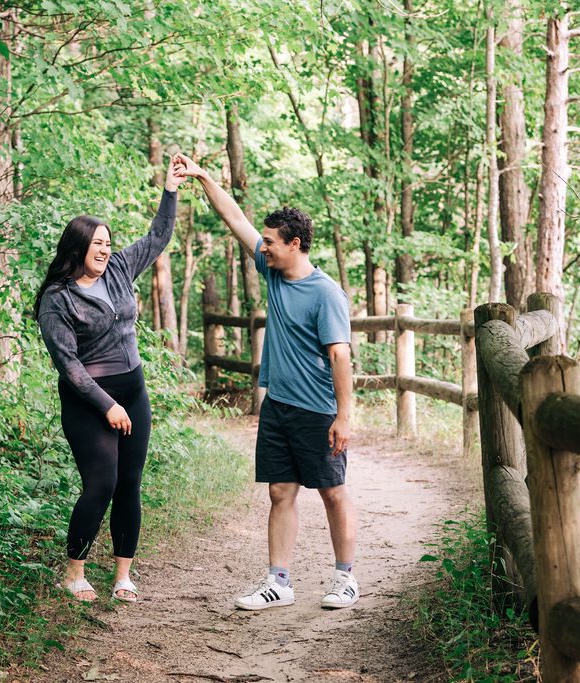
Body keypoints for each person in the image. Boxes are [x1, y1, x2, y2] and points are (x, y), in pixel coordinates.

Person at [172, 152, 358, 610]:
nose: (265, 247)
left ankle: (346, 579)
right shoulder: (274, 273)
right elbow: (234, 216)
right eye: (266, 242)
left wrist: (344, 416)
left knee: (332, 492)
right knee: (280, 492)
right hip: (278, 405)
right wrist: (201, 177)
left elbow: (340, 355)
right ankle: (279, 582)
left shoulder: (325, 293)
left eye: (272, 242)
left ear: (295, 244)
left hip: (318, 411)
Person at [34, 159, 185, 603]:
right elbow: (70, 365)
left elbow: (158, 237)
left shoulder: (119, 270)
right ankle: (75, 573)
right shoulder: (56, 299)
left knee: (129, 483)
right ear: (78, 247)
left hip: (133, 391)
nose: (104, 249)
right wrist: (107, 405)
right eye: (96, 243)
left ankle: (123, 576)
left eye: (108, 243)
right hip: (89, 402)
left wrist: (170, 190)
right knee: (101, 481)